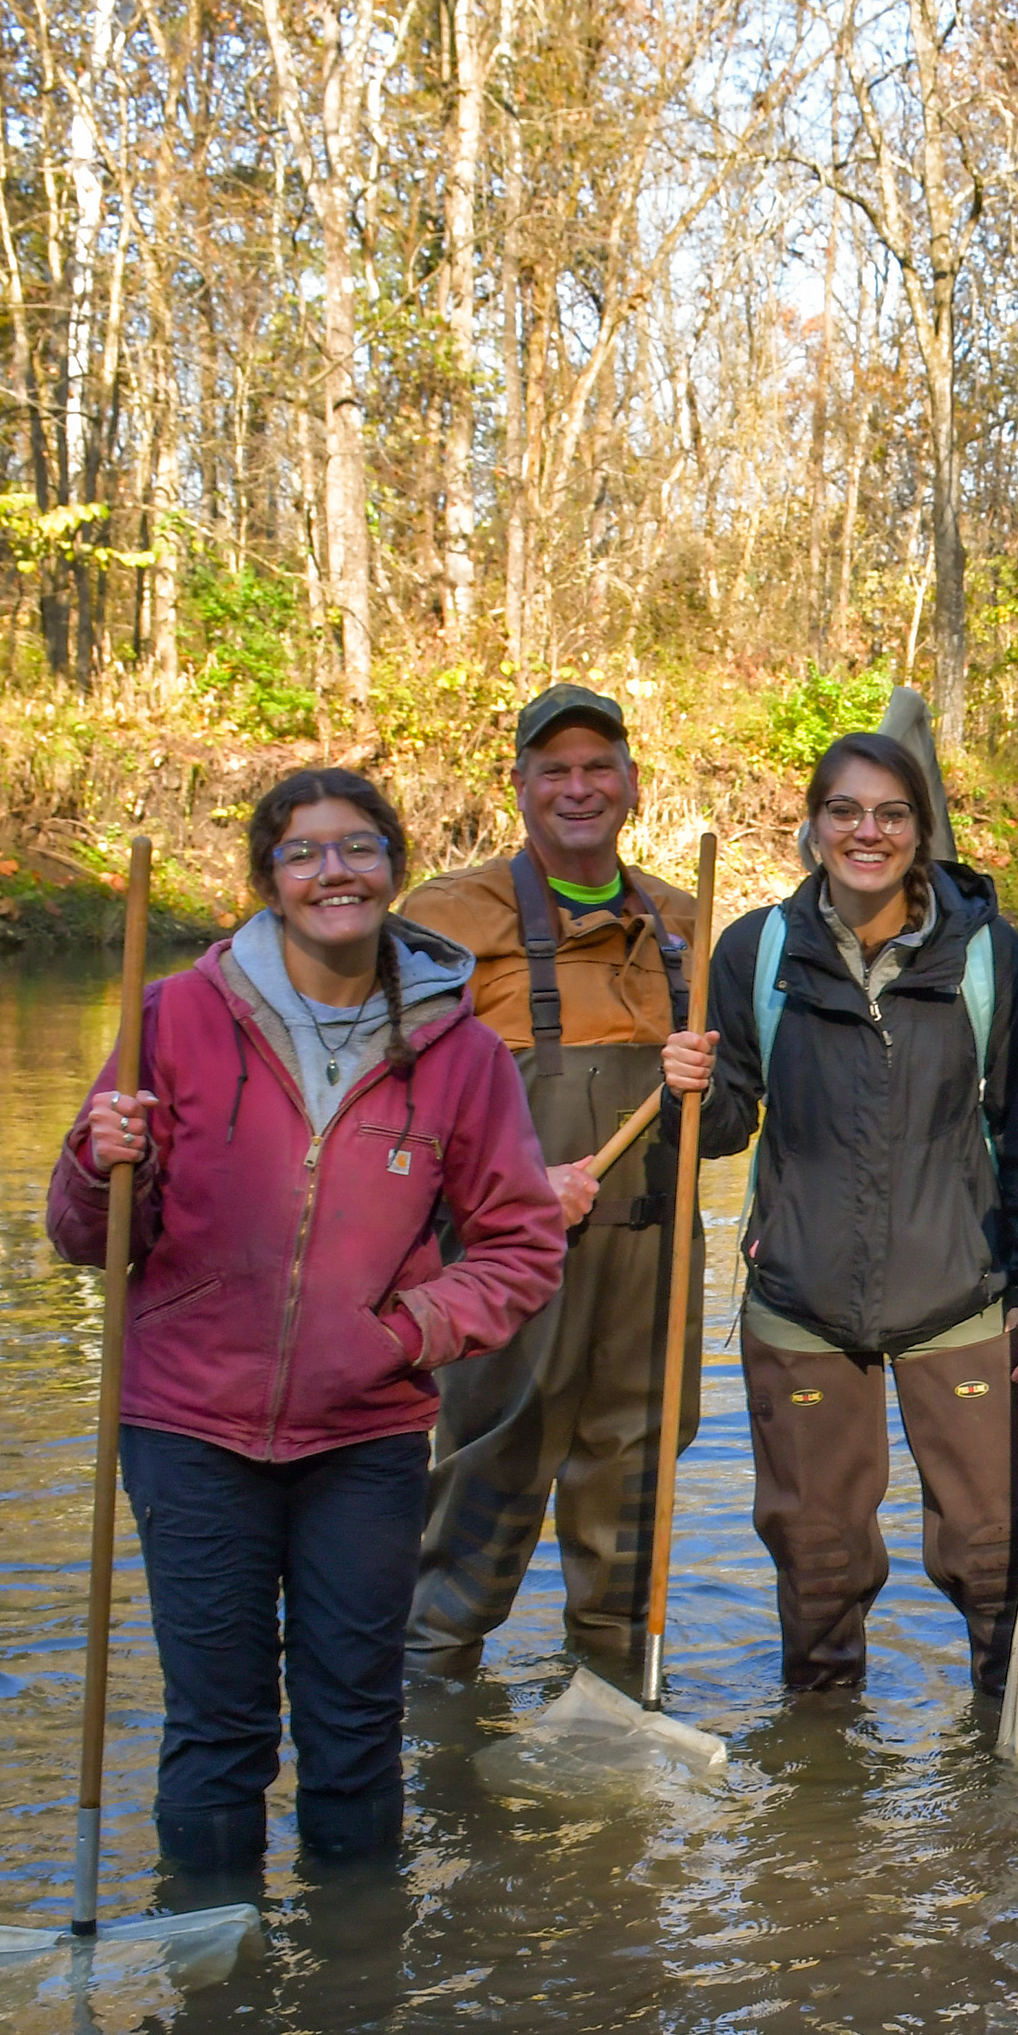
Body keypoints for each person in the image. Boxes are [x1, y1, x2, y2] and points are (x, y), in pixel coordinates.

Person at [49, 768, 566, 1874]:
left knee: (351, 1731)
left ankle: (353, 1994)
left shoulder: (460, 1052)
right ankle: (217, 1995)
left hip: (365, 1442)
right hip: (187, 1427)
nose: (334, 870)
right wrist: (100, 1165)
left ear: (394, 867)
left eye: (360, 847)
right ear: (269, 881)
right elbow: (86, 1236)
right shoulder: (175, 1015)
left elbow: (522, 1245)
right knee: (218, 1730)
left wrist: (404, 1333)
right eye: (303, 852)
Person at [662, 731, 1018, 1698]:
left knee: (995, 1555)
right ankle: (821, 1797)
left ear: (921, 833)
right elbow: (724, 1128)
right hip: (802, 1302)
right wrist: (688, 1084)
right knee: (819, 1567)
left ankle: (1008, 1782)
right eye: (844, 810)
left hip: (959, 1294)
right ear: (812, 829)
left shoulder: (989, 958)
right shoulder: (755, 951)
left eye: (892, 813)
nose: (867, 831)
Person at [394, 683, 702, 1689]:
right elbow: (394, 1105)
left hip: (654, 1260)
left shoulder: (684, 924)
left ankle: (614, 1709)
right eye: (555, 769)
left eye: (599, 767)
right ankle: (427, 1723)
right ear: (520, 787)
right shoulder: (446, 917)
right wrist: (519, 1183)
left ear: (634, 786)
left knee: (632, 1506)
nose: (580, 788)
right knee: (485, 1482)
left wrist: (721, 1081)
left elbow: (732, 1120)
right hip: (505, 1254)